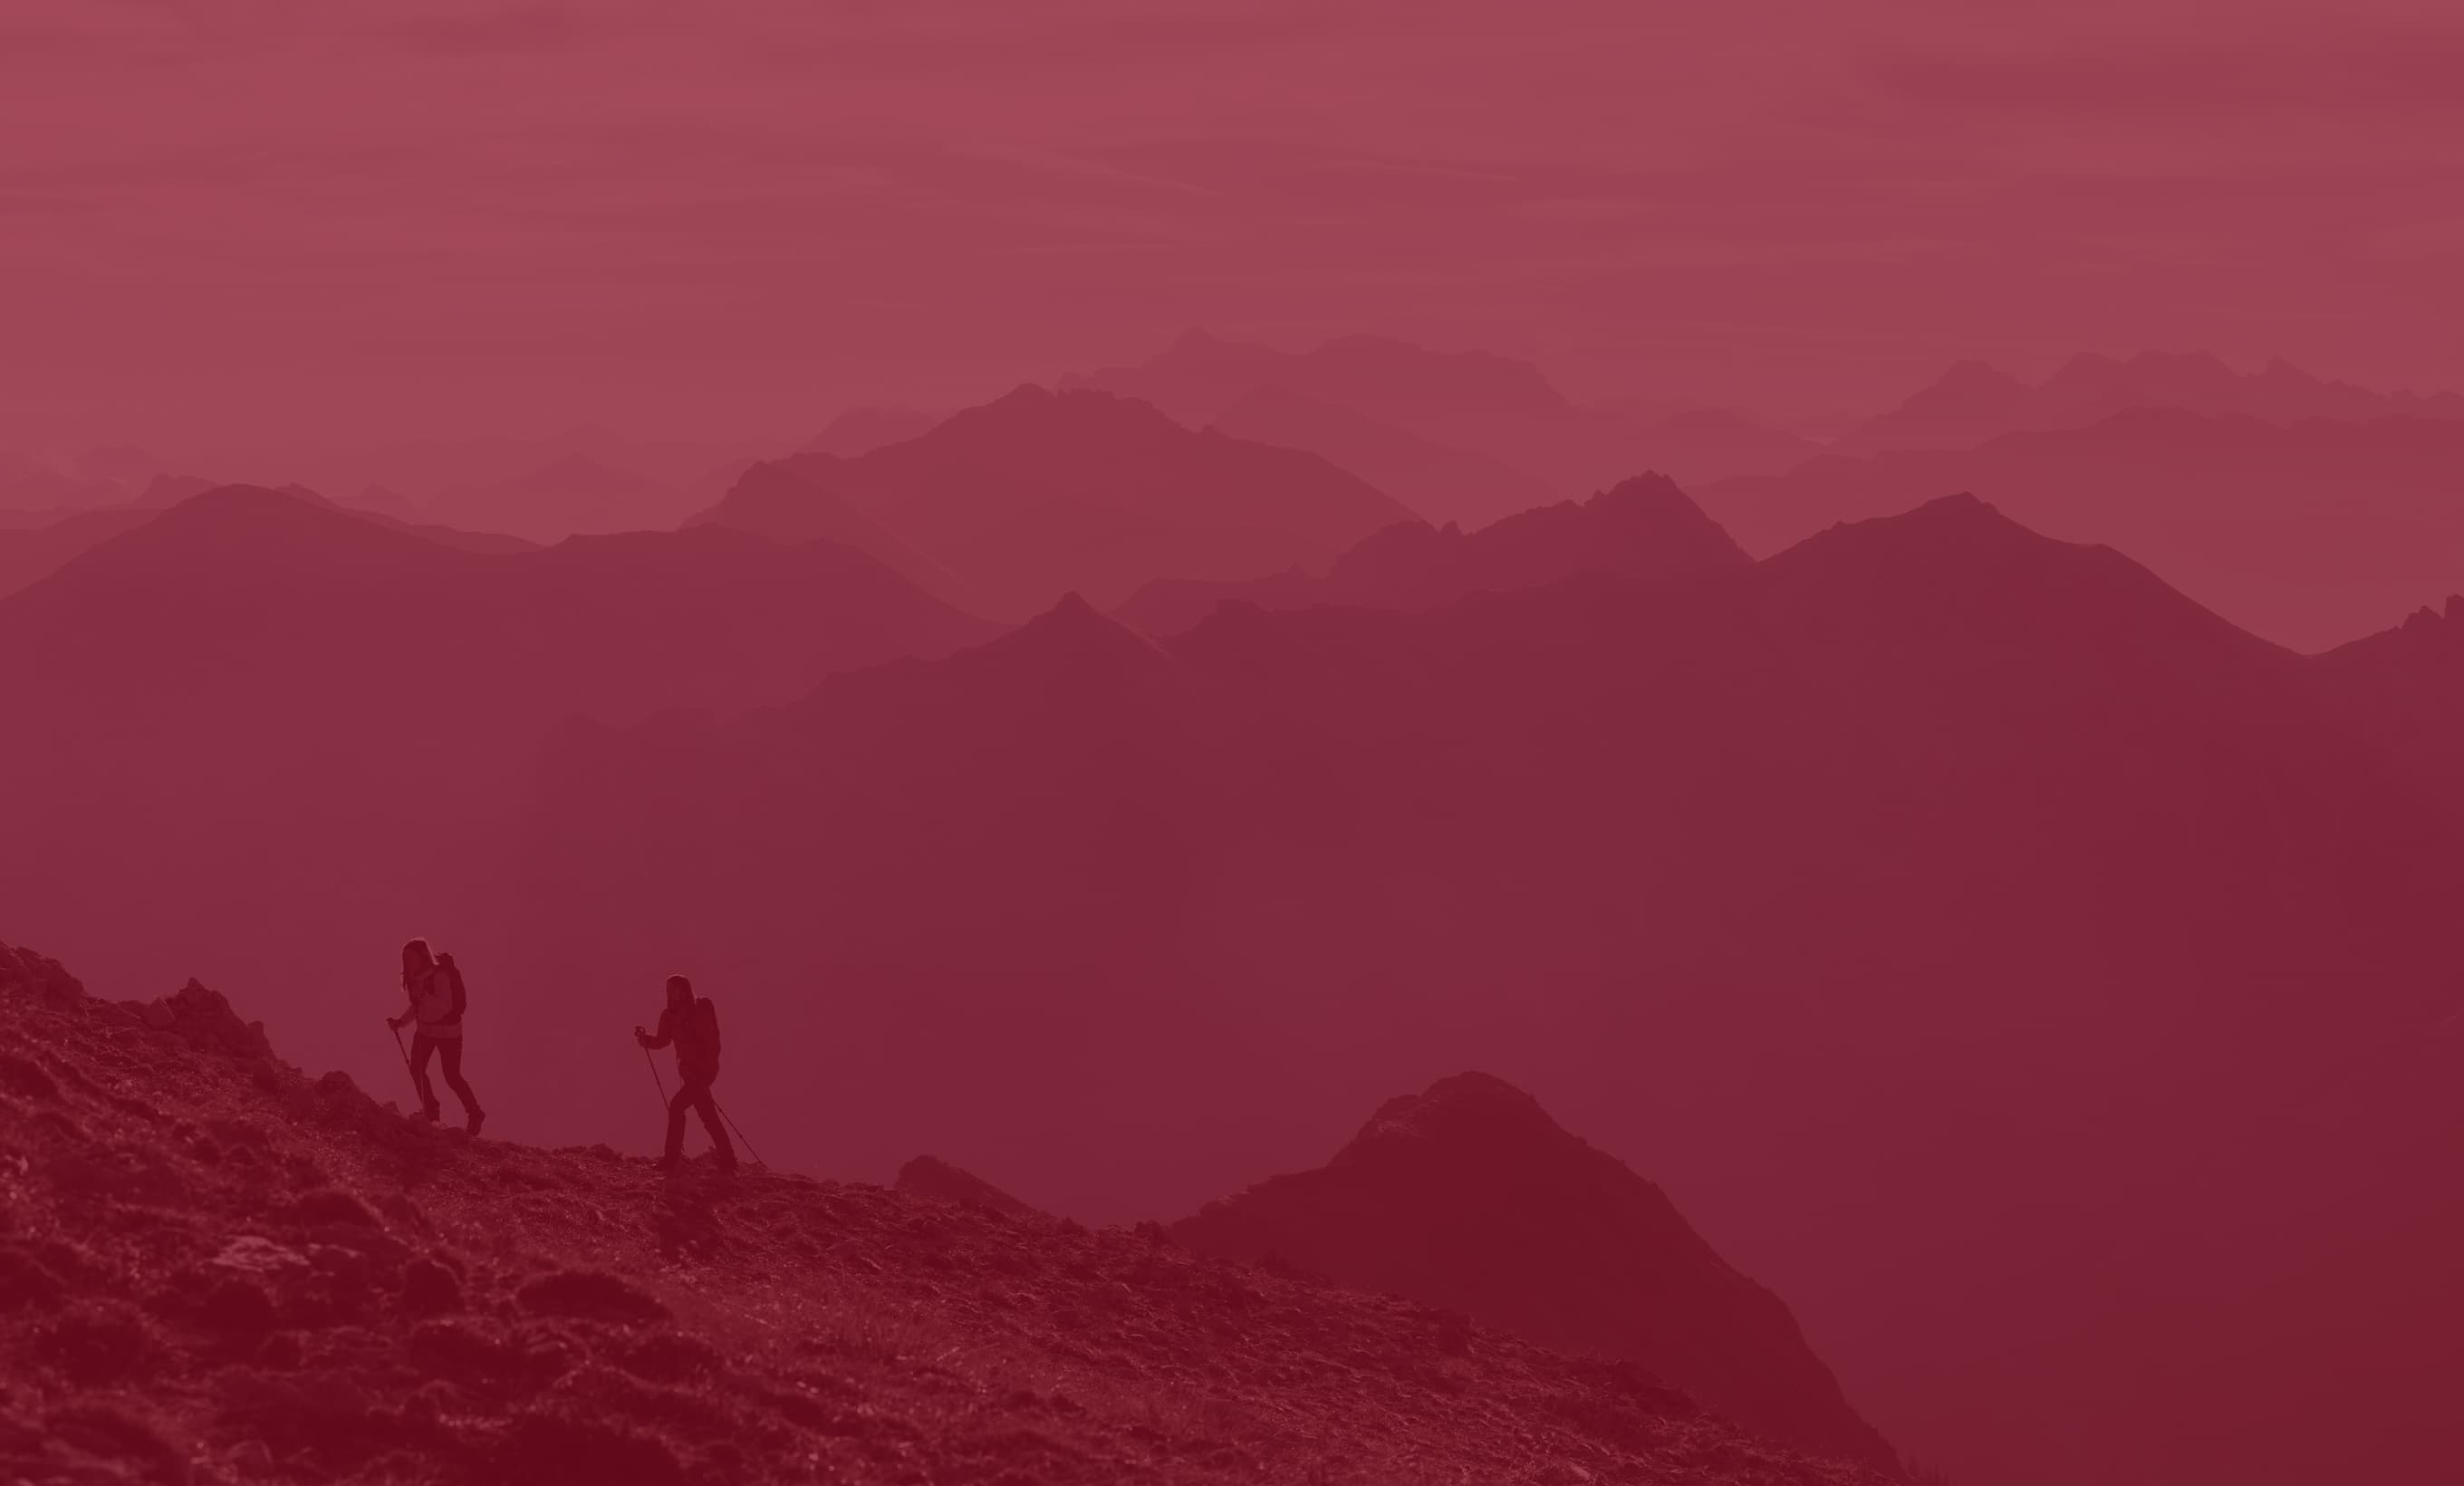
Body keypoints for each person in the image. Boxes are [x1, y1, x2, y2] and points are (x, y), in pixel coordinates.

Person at [635, 974, 736, 1172]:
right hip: (691, 1074)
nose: (669, 993)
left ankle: (672, 1159)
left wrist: (702, 1070)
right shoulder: (669, 1015)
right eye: (667, 990)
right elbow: (663, 1041)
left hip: (701, 1072)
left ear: (684, 991)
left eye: (673, 989)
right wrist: (646, 1040)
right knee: (707, 1115)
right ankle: (728, 1160)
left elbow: (712, 1044)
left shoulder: (698, 1011)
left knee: (677, 1106)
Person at [388, 938, 485, 1136]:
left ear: (422, 956)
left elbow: (445, 1007)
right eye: (405, 958)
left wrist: (422, 996)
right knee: (417, 1069)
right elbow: (417, 1007)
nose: (407, 962)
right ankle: (431, 1111)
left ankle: (474, 1112)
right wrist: (400, 1022)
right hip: (426, 1032)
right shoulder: (416, 978)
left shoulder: (439, 976)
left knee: (451, 1076)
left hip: (448, 1033)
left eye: (411, 957)